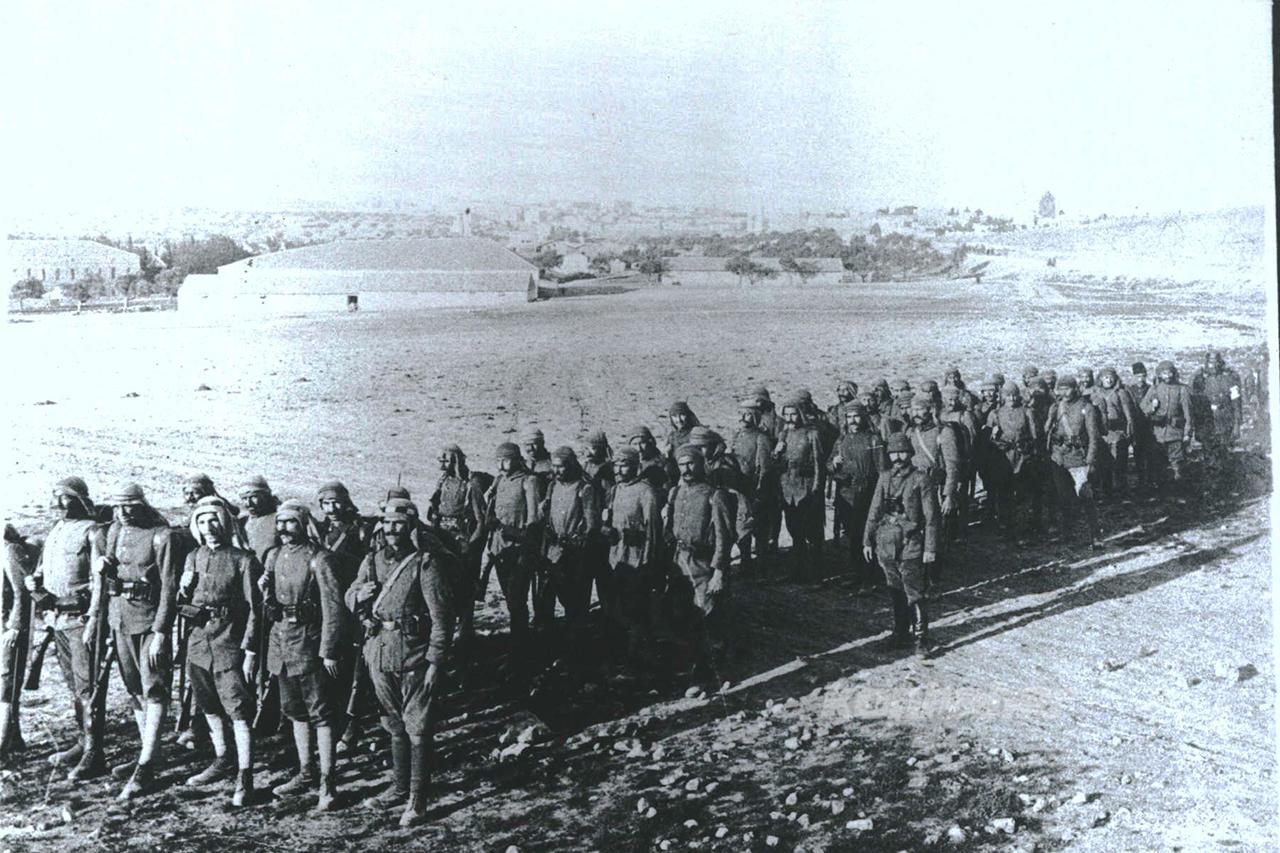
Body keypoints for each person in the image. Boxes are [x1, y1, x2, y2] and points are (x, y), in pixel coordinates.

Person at [345, 499, 455, 827]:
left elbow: (442, 617)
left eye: (400, 524)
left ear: (411, 527)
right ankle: (399, 787)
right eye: (388, 523)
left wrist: (435, 662)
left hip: (414, 655)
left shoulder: (425, 563)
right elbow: (350, 594)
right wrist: (358, 596)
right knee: (393, 723)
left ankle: (418, 799)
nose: (392, 529)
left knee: (418, 726)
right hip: (379, 653)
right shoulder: (372, 560)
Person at [92, 482, 180, 801]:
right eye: (118, 506)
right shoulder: (115, 530)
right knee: (134, 689)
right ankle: (148, 753)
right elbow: (112, 567)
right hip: (120, 619)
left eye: (129, 505)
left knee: (154, 688)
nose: (124, 511)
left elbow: (169, 588)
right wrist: (103, 565)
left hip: (149, 621)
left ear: (142, 504)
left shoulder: (162, 535)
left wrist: (161, 632)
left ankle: (146, 766)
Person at [261, 500, 347, 812]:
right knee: (295, 711)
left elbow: (333, 608)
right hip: (281, 645)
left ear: (303, 524)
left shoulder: (320, 558)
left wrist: (329, 650)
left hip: (309, 645)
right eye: (280, 522)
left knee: (321, 713)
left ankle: (328, 782)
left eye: (291, 522)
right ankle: (306, 772)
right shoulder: (273, 555)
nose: (284, 528)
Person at [19, 478, 107, 779]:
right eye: (55, 496)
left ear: (80, 499)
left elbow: (99, 582)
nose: (58, 503)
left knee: (88, 687)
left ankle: (95, 752)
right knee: (73, 686)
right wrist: (35, 581)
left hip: (81, 621)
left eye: (66, 497)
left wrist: (94, 617)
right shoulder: (56, 530)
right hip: (57, 620)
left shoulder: (93, 531)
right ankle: (82, 742)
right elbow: (44, 570)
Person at [179, 497, 263, 807]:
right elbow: (184, 601)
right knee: (209, 704)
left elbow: (255, 609)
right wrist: (184, 588)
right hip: (199, 643)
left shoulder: (244, 560)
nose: (209, 527)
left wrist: (250, 649)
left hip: (229, 642)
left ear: (225, 523)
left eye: (214, 520)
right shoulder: (194, 557)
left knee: (237, 707)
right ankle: (223, 758)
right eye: (202, 522)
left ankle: (245, 774)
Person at [663, 446, 734, 688]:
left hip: (704, 564)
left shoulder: (715, 496)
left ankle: (711, 676)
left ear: (701, 464)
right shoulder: (675, 493)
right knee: (683, 618)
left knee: (708, 619)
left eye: (691, 463)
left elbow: (724, 537)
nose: (686, 469)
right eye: (681, 464)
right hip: (680, 563)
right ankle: (690, 671)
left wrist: (719, 572)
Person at [863, 433, 940, 654]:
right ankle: (900, 634)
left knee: (914, 592)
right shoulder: (884, 477)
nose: (897, 457)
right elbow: (874, 510)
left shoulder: (921, 479)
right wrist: (867, 539)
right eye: (893, 453)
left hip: (911, 544)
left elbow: (931, 517)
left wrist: (930, 548)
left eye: (902, 452)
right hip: (887, 543)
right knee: (895, 590)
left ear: (910, 453)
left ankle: (921, 639)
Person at [600, 447, 664, 678]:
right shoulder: (615, 490)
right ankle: (621, 659)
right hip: (616, 560)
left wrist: (649, 564)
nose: (618, 470)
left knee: (637, 614)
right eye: (616, 465)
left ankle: (639, 664)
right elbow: (608, 519)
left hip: (638, 561)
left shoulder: (646, 492)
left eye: (624, 465)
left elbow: (654, 531)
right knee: (618, 611)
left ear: (636, 466)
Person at [538, 447, 601, 676]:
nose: (557, 471)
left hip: (575, 555)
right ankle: (554, 652)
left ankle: (578, 658)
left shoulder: (585, 489)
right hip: (553, 552)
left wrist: (579, 546)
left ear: (571, 465)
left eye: (561, 466)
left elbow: (592, 525)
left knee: (576, 607)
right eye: (554, 466)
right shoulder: (553, 486)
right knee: (549, 603)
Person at [484, 442, 544, 676]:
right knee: (511, 601)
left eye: (506, 460)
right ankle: (518, 648)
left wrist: (519, 535)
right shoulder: (500, 481)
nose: (501, 464)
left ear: (517, 459)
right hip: (500, 550)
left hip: (520, 549)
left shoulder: (529, 481)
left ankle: (520, 653)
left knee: (517, 601)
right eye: (498, 460)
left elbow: (534, 519)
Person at [427, 445, 487, 653]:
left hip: (462, 541)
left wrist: (471, 546)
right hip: (442, 540)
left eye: (445, 460)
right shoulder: (443, 481)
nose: (441, 464)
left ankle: (465, 633)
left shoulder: (471, 485)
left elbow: (481, 520)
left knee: (466, 587)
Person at [826, 404, 889, 588]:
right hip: (846, 493)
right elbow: (828, 464)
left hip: (867, 493)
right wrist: (834, 464)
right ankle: (857, 573)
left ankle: (870, 577)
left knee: (867, 535)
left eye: (856, 416)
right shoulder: (841, 440)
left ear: (863, 417)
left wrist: (882, 496)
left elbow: (883, 470)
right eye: (849, 417)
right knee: (851, 535)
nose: (852, 421)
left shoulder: (873, 439)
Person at [1044, 376, 1103, 547]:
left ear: (1075, 389)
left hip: (1078, 458)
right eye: (1061, 389)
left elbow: (1093, 437)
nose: (1064, 392)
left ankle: (1095, 534)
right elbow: (1047, 431)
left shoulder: (1087, 408)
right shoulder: (1056, 407)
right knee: (1064, 498)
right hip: (1059, 457)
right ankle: (1067, 533)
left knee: (1086, 497)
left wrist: (1090, 460)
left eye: (1067, 388)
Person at [905, 392, 964, 557]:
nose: (915, 413)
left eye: (920, 409)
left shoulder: (944, 432)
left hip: (935, 487)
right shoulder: (911, 432)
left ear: (930, 410)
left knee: (936, 527)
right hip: (916, 486)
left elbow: (952, 465)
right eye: (913, 409)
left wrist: (949, 495)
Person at [775, 393, 826, 578]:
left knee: (812, 530)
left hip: (807, 487)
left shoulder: (812, 434)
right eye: (787, 414)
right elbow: (777, 464)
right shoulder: (783, 434)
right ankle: (798, 569)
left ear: (801, 414)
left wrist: (817, 487)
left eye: (793, 414)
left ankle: (816, 572)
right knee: (794, 529)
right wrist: (777, 453)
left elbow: (819, 463)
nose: (790, 418)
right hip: (788, 488)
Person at [2, 524, 40, 766]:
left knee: (6, 683)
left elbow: (21, 592)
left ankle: (3, 742)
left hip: (7, 628)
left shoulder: (10, 550)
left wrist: (15, 626)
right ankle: (13, 737)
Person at [985, 382, 1042, 540]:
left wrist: (1032, 454)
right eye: (1008, 395)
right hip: (1003, 459)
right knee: (1003, 493)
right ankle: (1005, 526)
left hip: (1023, 458)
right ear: (1003, 396)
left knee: (1023, 493)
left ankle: (1023, 529)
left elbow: (1035, 437)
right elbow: (989, 439)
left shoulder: (1027, 412)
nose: (1012, 398)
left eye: (1014, 395)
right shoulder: (995, 414)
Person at [732, 396, 779, 569]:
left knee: (760, 530)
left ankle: (762, 566)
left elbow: (765, 469)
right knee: (741, 528)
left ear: (755, 417)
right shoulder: (737, 436)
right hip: (740, 490)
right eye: (741, 414)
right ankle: (746, 561)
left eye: (747, 415)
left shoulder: (761, 438)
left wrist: (760, 493)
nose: (743, 418)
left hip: (757, 490)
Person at [1139, 361, 1194, 492]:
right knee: (1158, 463)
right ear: (1159, 374)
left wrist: (1187, 433)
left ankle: (1179, 489)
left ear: (1174, 373)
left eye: (1170, 373)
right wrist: (1152, 407)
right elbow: (1142, 409)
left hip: (1175, 433)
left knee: (1177, 463)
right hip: (1158, 433)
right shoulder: (1154, 389)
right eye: (1164, 373)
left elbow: (1188, 415)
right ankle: (1161, 491)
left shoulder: (1182, 390)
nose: (1167, 376)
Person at [1193, 350, 1244, 473]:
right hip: (1207, 420)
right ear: (1206, 363)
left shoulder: (1229, 379)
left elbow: (1236, 403)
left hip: (1224, 419)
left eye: (1216, 362)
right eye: (1210, 362)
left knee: (1223, 450)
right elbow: (1195, 403)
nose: (1213, 365)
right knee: (1208, 450)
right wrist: (1197, 426)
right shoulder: (1200, 380)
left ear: (1220, 363)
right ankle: (1210, 477)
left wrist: (1237, 424)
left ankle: (1223, 478)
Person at [1093, 367, 1138, 497]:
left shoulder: (1121, 393)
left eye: (1111, 377)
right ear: (1101, 379)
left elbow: (1128, 415)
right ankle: (1106, 490)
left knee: (1119, 462)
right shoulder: (1095, 393)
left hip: (1118, 432)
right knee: (1104, 462)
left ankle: (1121, 489)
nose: (1109, 380)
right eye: (1106, 377)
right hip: (1102, 433)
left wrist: (1129, 433)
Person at [237, 476, 280, 562]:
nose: (248, 503)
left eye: (253, 497)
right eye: (244, 498)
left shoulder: (278, 520)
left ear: (265, 496)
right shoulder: (242, 522)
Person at [664, 402, 701, 481]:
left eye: (682, 415)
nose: (679, 420)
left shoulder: (696, 433)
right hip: (676, 473)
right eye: (674, 416)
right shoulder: (672, 436)